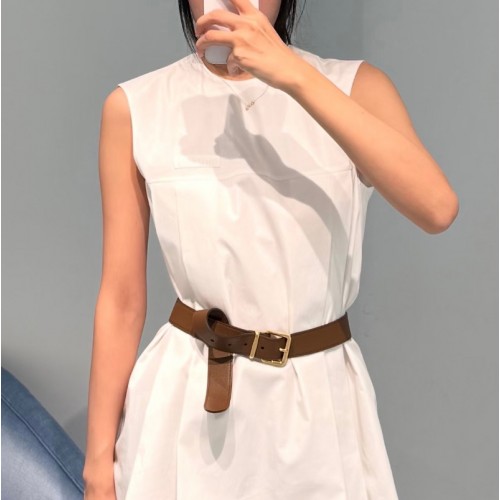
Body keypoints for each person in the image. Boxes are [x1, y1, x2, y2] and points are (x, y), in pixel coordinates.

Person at [83, 0, 459, 498]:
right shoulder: (136, 106)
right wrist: (98, 461)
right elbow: (122, 299)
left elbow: (436, 208)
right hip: (185, 401)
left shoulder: (355, 87)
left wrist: (294, 75)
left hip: (317, 404)